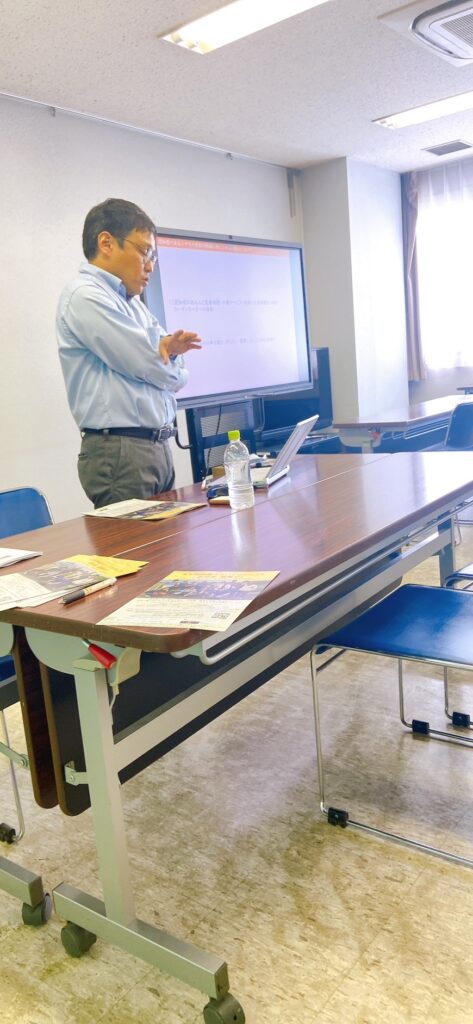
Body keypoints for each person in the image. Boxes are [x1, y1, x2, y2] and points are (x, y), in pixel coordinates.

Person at [56, 198, 202, 508]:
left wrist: (169, 358)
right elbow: (147, 363)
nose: (150, 266)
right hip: (121, 451)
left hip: (154, 447)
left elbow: (174, 373)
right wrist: (166, 359)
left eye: (154, 257)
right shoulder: (85, 296)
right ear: (106, 243)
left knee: (168, 540)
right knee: (136, 542)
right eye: (144, 252)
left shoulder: (133, 304)